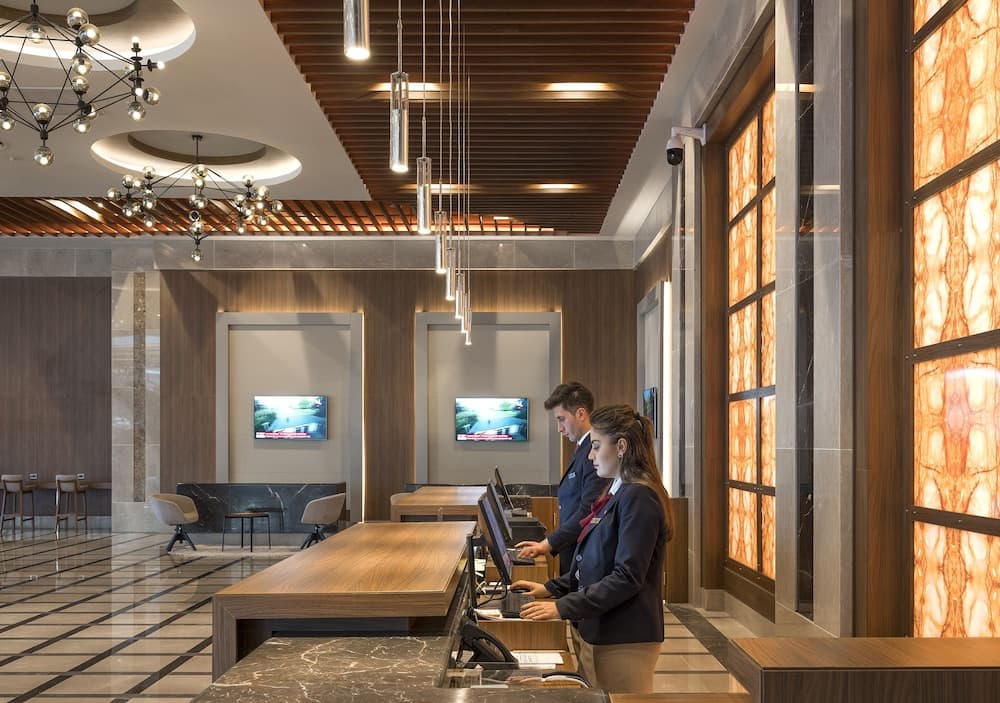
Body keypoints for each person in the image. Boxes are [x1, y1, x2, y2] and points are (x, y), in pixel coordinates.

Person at [512, 404, 674, 694]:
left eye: (597, 446)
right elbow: (594, 564)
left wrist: (561, 606)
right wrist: (550, 588)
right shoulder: (619, 491)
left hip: (624, 636)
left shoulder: (639, 497)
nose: (590, 455)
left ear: (621, 447)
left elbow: (626, 577)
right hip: (601, 629)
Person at [516, 382, 611, 574]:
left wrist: (547, 544)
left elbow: (588, 511)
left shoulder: (593, 453)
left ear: (581, 414)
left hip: (583, 556)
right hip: (572, 552)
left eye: (562, 419)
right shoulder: (582, 448)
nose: (559, 428)